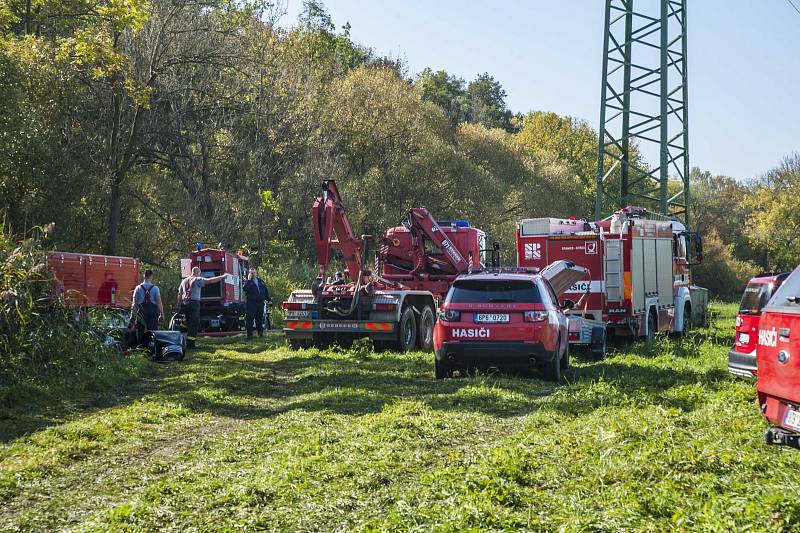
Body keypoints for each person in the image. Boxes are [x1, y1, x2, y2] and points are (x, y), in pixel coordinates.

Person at [178, 266, 227, 348]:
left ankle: (180, 340)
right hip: (194, 303)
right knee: (194, 324)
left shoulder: (184, 281)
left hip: (185, 304)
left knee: (187, 323)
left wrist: (178, 305)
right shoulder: (197, 279)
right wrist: (222, 277)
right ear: (197, 272)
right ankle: (190, 345)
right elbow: (210, 281)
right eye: (199, 273)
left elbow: (179, 294)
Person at [243, 268, 271, 337]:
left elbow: (265, 291)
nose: (253, 274)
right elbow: (245, 289)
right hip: (251, 303)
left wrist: (269, 300)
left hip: (260, 303)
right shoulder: (248, 282)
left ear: (256, 273)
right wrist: (249, 280)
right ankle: (249, 335)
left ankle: (260, 334)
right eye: (251, 273)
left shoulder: (260, 281)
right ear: (249, 274)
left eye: (254, 273)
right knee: (250, 319)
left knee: (259, 319)